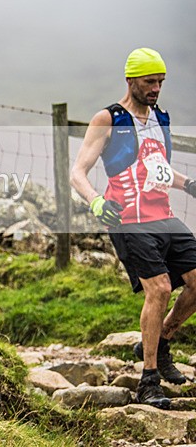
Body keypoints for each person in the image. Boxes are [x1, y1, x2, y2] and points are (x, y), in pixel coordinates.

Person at [71, 47, 196, 409]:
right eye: (149, 81)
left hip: (162, 215)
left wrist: (187, 183)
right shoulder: (108, 119)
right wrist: (96, 201)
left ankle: (160, 339)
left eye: (161, 81)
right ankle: (149, 380)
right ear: (131, 80)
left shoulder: (161, 119)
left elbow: (155, 169)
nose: (156, 88)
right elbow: (78, 172)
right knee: (157, 289)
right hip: (127, 218)